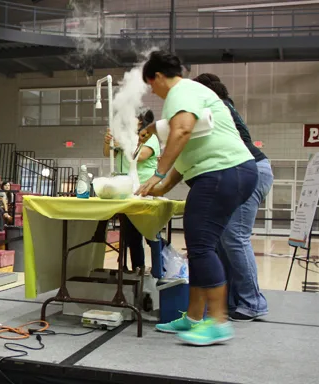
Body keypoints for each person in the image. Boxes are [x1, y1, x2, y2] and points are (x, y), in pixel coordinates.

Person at [138, 51, 258, 346]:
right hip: (225, 173)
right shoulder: (190, 97)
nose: (154, 92)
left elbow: (182, 130)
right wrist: (160, 188)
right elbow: (187, 153)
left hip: (225, 172)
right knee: (200, 245)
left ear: (158, 77)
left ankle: (218, 322)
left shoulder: (182, 90)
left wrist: (157, 172)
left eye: (151, 86)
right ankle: (192, 317)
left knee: (202, 245)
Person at [194, 73, 272, 322]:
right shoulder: (225, 106)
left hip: (249, 170)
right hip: (244, 170)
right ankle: (230, 300)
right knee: (222, 239)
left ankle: (253, 302)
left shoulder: (218, 109)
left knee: (235, 237)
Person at [103, 111, 162, 272]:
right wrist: (108, 141)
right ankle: (138, 268)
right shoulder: (124, 137)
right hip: (126, 191)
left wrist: (121, 141)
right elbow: (107, 153)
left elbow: (141, 155)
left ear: (141, 121)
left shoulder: (150, 137)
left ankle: (159, 270)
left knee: (151, 235)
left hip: (146, 190)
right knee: (131, 235)